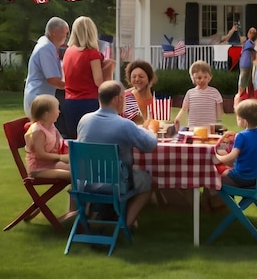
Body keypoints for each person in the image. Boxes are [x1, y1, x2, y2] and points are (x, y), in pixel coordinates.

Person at [77, 81, 158, 229]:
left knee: (132, 175)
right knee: (146, 180)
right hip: (115, 182)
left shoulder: (84, 120)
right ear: (118, 99)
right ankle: (125, 224)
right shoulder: (124, 125)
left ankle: (98, 214)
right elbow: (149, 145)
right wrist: (151, 130)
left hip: (85, 182)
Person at [62, 16, 116, 138]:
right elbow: (99, 82)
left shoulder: (69, 52)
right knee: (93, 140)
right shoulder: (92, 54)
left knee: (75, 140)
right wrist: (109, 70)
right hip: (89, 102)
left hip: (70, 102)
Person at [23, 17, 69, 119]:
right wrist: (73, 87)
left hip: (40, 97)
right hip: (40, 100)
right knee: (42, 132)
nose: (66, 37)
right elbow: (53, 80)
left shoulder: (46, 45)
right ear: (54, 32)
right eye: (64, 33)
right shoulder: (46, 48)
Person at [215, 98, 257, 187]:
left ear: (245, 121)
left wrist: (217, 157)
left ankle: (224, 200)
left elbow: (231, 157)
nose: (237, 120)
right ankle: (229, 200)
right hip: (254, 179)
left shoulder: (241, 136)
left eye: (238, 118)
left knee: (214, 177)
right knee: (227, 172)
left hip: (240, 178)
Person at [24, 94, 70, 180]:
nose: (59, 112)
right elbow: (40, 155)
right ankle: (76, 193)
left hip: (51, 163)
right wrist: (60, 157)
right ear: (46, 115)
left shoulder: (51, 125)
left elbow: (59, 141)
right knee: (73, 175)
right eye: (57, 109)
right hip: (39, 169)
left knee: (79, 168)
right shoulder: (38, 131)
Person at [174, 60, 223, 131]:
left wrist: (218, 122)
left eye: (205, 77)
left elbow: (219, 108)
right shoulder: (190, 93)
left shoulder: (214, 92)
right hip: (193, 127)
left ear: (210, 77)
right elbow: (184, 108)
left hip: (209, 127)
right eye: (199, 78)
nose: (202, 80)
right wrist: (178, 118)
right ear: (193, 79)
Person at [123, 60, 157, 125]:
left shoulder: (158, 102)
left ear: (149, 78)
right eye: (134, 77)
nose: (137, 79)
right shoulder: (126, 98)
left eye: (141, 76)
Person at [236, 27, 257, 101]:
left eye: (254, 32)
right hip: (245, 62)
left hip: (250, 63)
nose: (252, 34)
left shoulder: (251, 42)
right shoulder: (249, 43)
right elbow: (254, 49)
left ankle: (248, 95)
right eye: (250, 32)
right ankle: (239, 94)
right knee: (243, 77)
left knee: (249, 79)